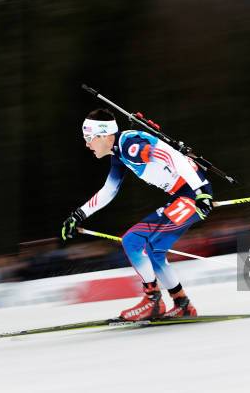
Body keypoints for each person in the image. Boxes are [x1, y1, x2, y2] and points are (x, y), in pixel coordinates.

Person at [62, 108, 213, 321]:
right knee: (152, 250)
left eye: (89, 138)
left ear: (104, 135)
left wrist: (200, 193)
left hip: (192, 197)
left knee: (133, 240)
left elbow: (173, 157)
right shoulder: (119, 155)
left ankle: (153, 301)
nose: (87, 144)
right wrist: (78, 215)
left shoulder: (130, 147)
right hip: (183, 196)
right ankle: (182, 304)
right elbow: (109, 191)